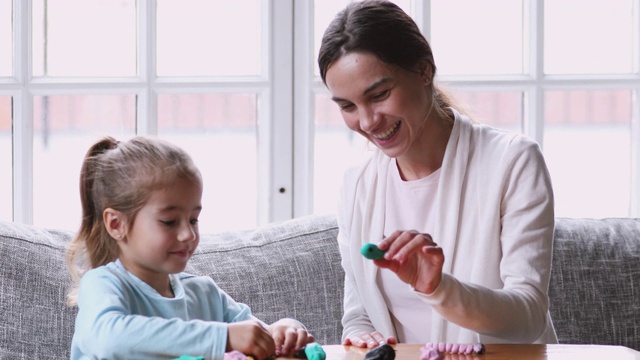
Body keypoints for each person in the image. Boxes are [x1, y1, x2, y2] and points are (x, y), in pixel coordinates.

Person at [318, 0, 558, 348]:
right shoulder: (355, 184)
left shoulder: (513, 162)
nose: (368, 122)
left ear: (424, 70)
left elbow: (528, 316)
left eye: (380, 94)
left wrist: (438, 287)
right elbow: (359, 314)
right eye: (348, 106)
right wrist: (359, 335)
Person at [66, 136, 313, 360]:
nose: (188, 234)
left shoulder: (205, 294)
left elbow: (254, 334)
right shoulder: (103, 284)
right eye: (169, 222)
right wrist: (222, 338)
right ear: (117, 224)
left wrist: (283, 331)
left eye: (193, 219)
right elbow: (109, 339)